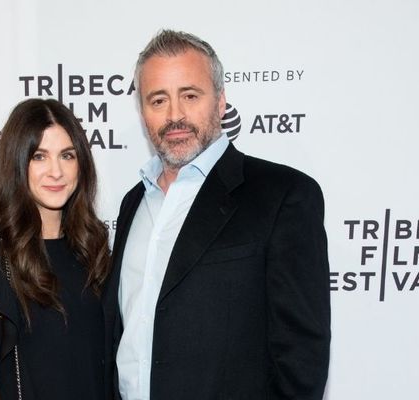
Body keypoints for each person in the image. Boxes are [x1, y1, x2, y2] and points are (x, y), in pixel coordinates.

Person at [103, 30, 331, 400]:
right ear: (143, 112)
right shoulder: (134, 202)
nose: (175, 115)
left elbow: (302, 360)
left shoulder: (283, 196)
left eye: (190, 96)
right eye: (158, 100)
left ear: (221, 102)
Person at [0, 98, 110, 399]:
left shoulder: (93, 247)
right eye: (39, 157)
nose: (56, 171)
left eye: (67, 155)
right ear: (17, 163)